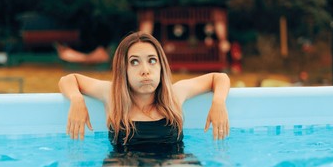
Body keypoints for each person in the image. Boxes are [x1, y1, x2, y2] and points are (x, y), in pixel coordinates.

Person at [58, 31, 230, 145]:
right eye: (134, 62)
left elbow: (219, 78)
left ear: (161, 66)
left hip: (173, 165)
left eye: (152, 60)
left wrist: (218, 102)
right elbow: (68, 79)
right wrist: (76, 99)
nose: (145, 71)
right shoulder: (112, 95)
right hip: (125, 166)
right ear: (123, 69)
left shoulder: (175, 94)